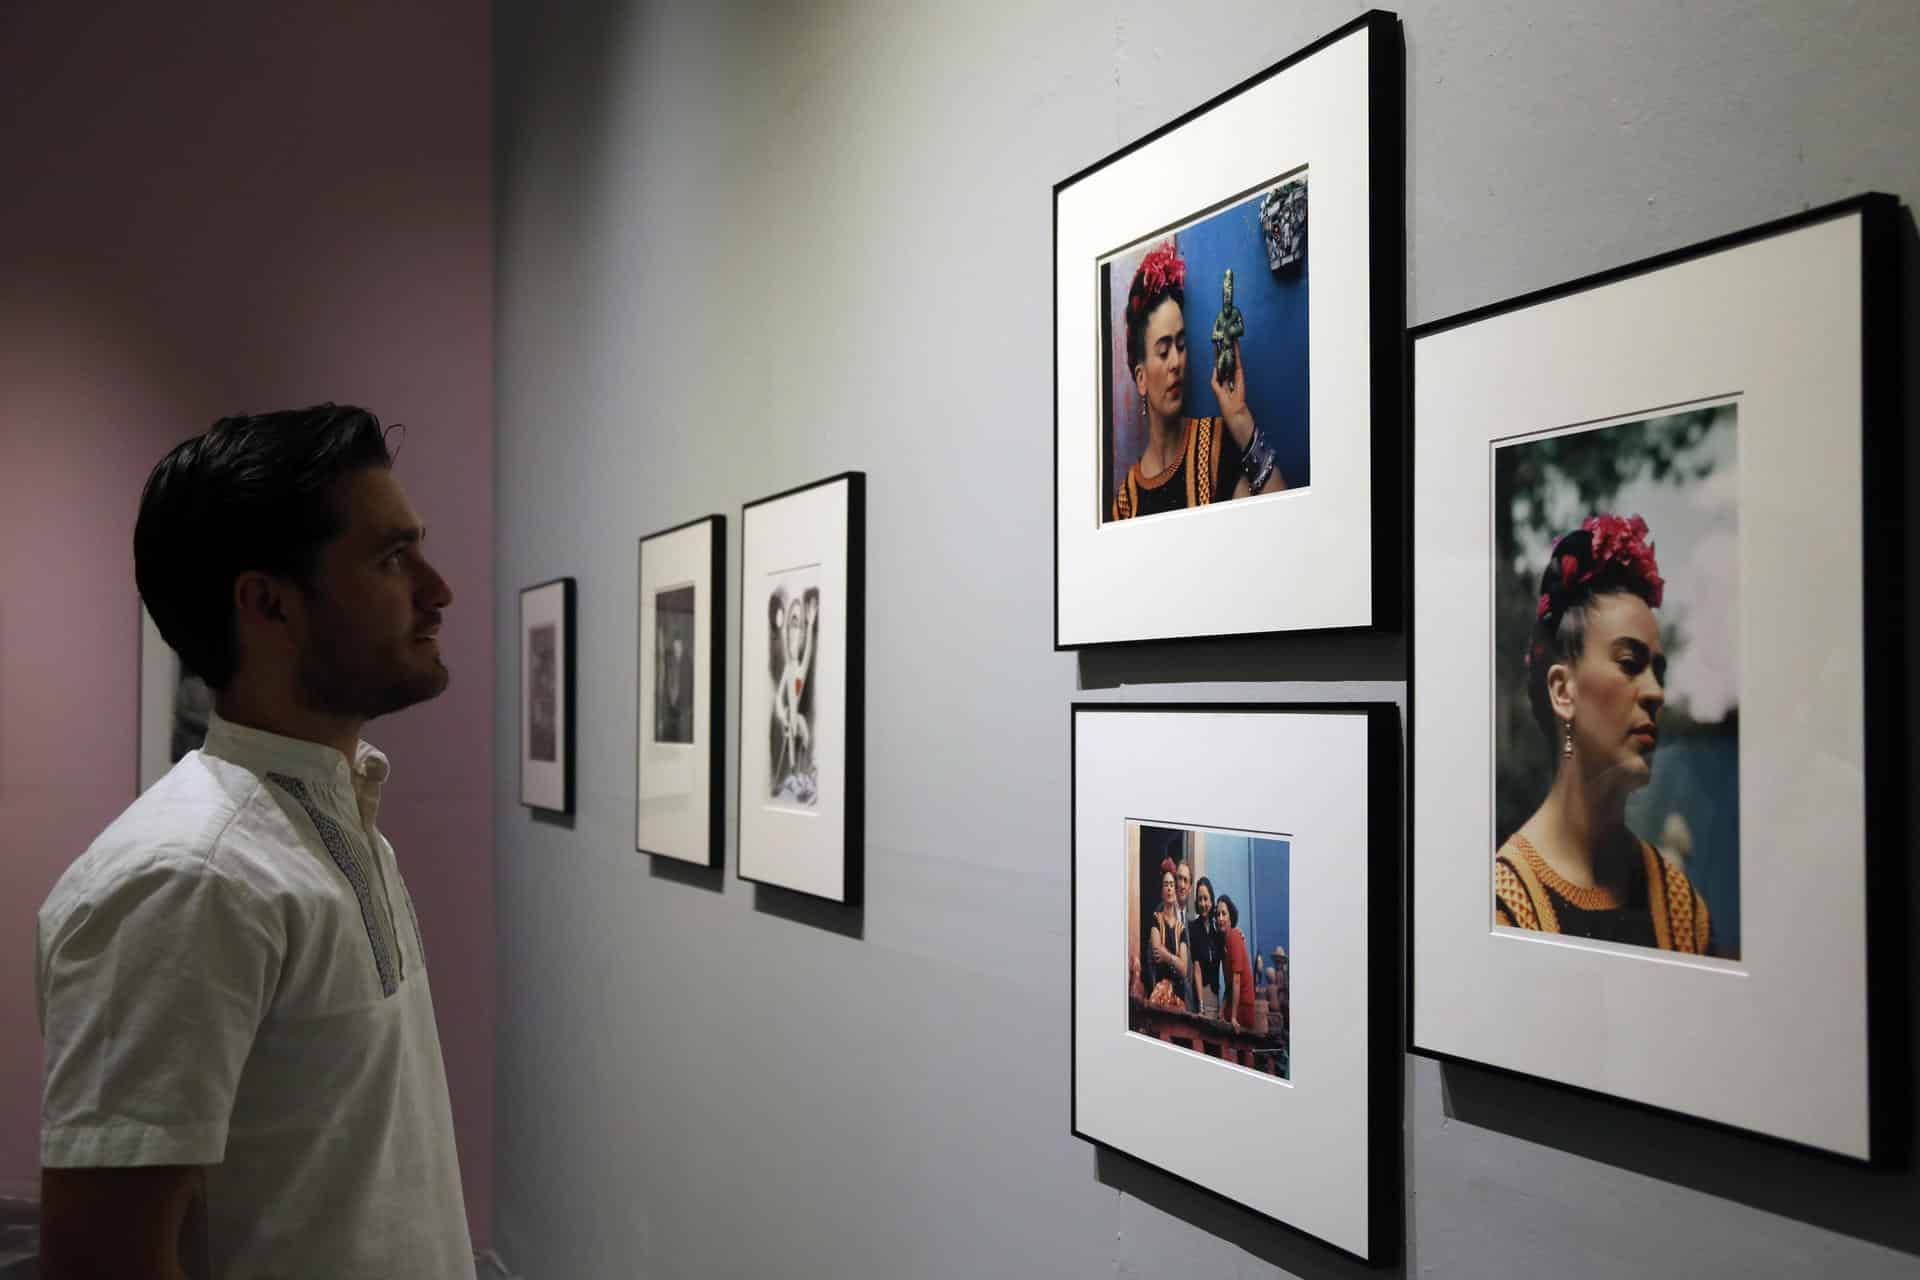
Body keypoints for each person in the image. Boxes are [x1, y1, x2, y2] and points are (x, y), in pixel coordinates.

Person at [35, 405, 473, 1278]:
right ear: (269, 603)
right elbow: (101, 1259)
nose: (437, 589)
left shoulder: (342, 818)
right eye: (391, 557)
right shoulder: (188, 877)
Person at [1495, 514, 1711, 953]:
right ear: (1563, 691)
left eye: (1658, 672)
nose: (1655, 693)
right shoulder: (1505, 905)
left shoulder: (1680, 907)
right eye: (1630, 663)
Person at [1110, 239, 1285, 520]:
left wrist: (1240, 418)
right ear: (1140, 378)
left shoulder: (1213, 444)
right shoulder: (1127, 502)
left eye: (1181, 346)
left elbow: (1283, 523)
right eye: (1164, 351)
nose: (1176, 362)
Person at [1147, 858, 1190, 1006]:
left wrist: (1168, 956)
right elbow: (1157, 953)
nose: (1170, 888)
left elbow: (1184, 969)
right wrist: (1175, 959)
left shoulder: (1181, 928)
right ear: (1162, 891)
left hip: (1179, 994)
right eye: (1166, 885)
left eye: (1172, 884)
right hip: (1160, 990)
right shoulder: (1156, 919)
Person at [1215, 896, 1258, 1034]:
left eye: (1224, 914)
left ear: (1231, 917)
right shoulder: (1224, 943)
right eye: (1217, 914)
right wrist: (1221, 1011)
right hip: (1235, 1005)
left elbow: (1236, 980)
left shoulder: (1234, 936)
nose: (1220, 918)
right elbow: (1228, 986)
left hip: (1243, 1007)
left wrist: (1232, 1017)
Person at [1188, 875, 1223, 1017]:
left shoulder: (1218, 930)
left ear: (1211, 900)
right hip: (1200, 996)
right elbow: (1196, 967)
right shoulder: (1193, 928)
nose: (1203, 903)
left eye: (1206, 898)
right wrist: (1201, 1006)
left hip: (1215, 996)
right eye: (1200, 899)